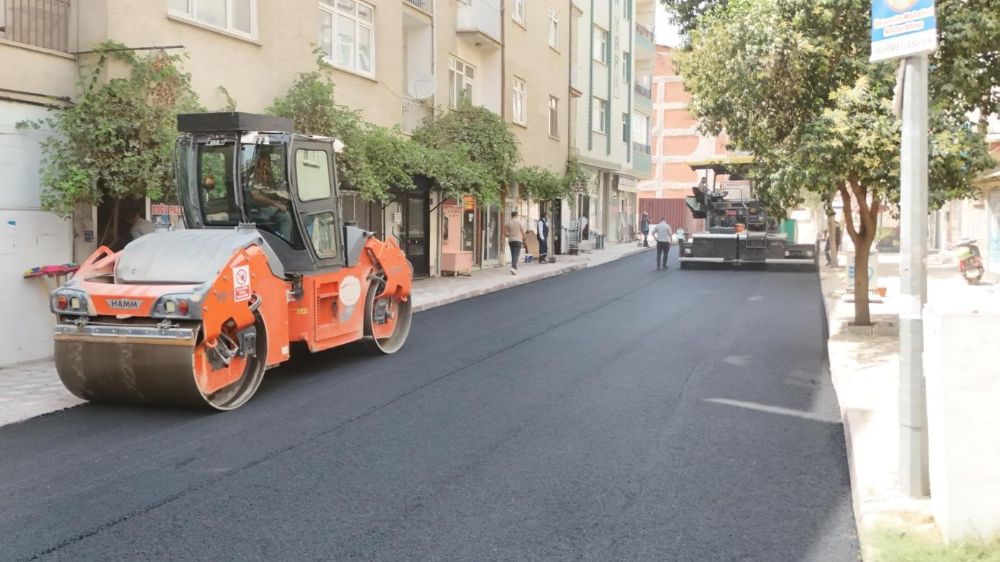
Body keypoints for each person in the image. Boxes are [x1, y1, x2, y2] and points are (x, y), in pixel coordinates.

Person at [505, 210, 525, 275]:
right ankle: (513, 267)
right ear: (516, 215)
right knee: (516, 255)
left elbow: (505, 232)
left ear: (511, 215)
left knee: (513, 254)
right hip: (518, 240)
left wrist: (508, 234)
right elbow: (522, 231)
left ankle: (514, 267)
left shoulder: (508, 222)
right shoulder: (519, 222)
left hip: (511, 240)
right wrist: (524, 238)